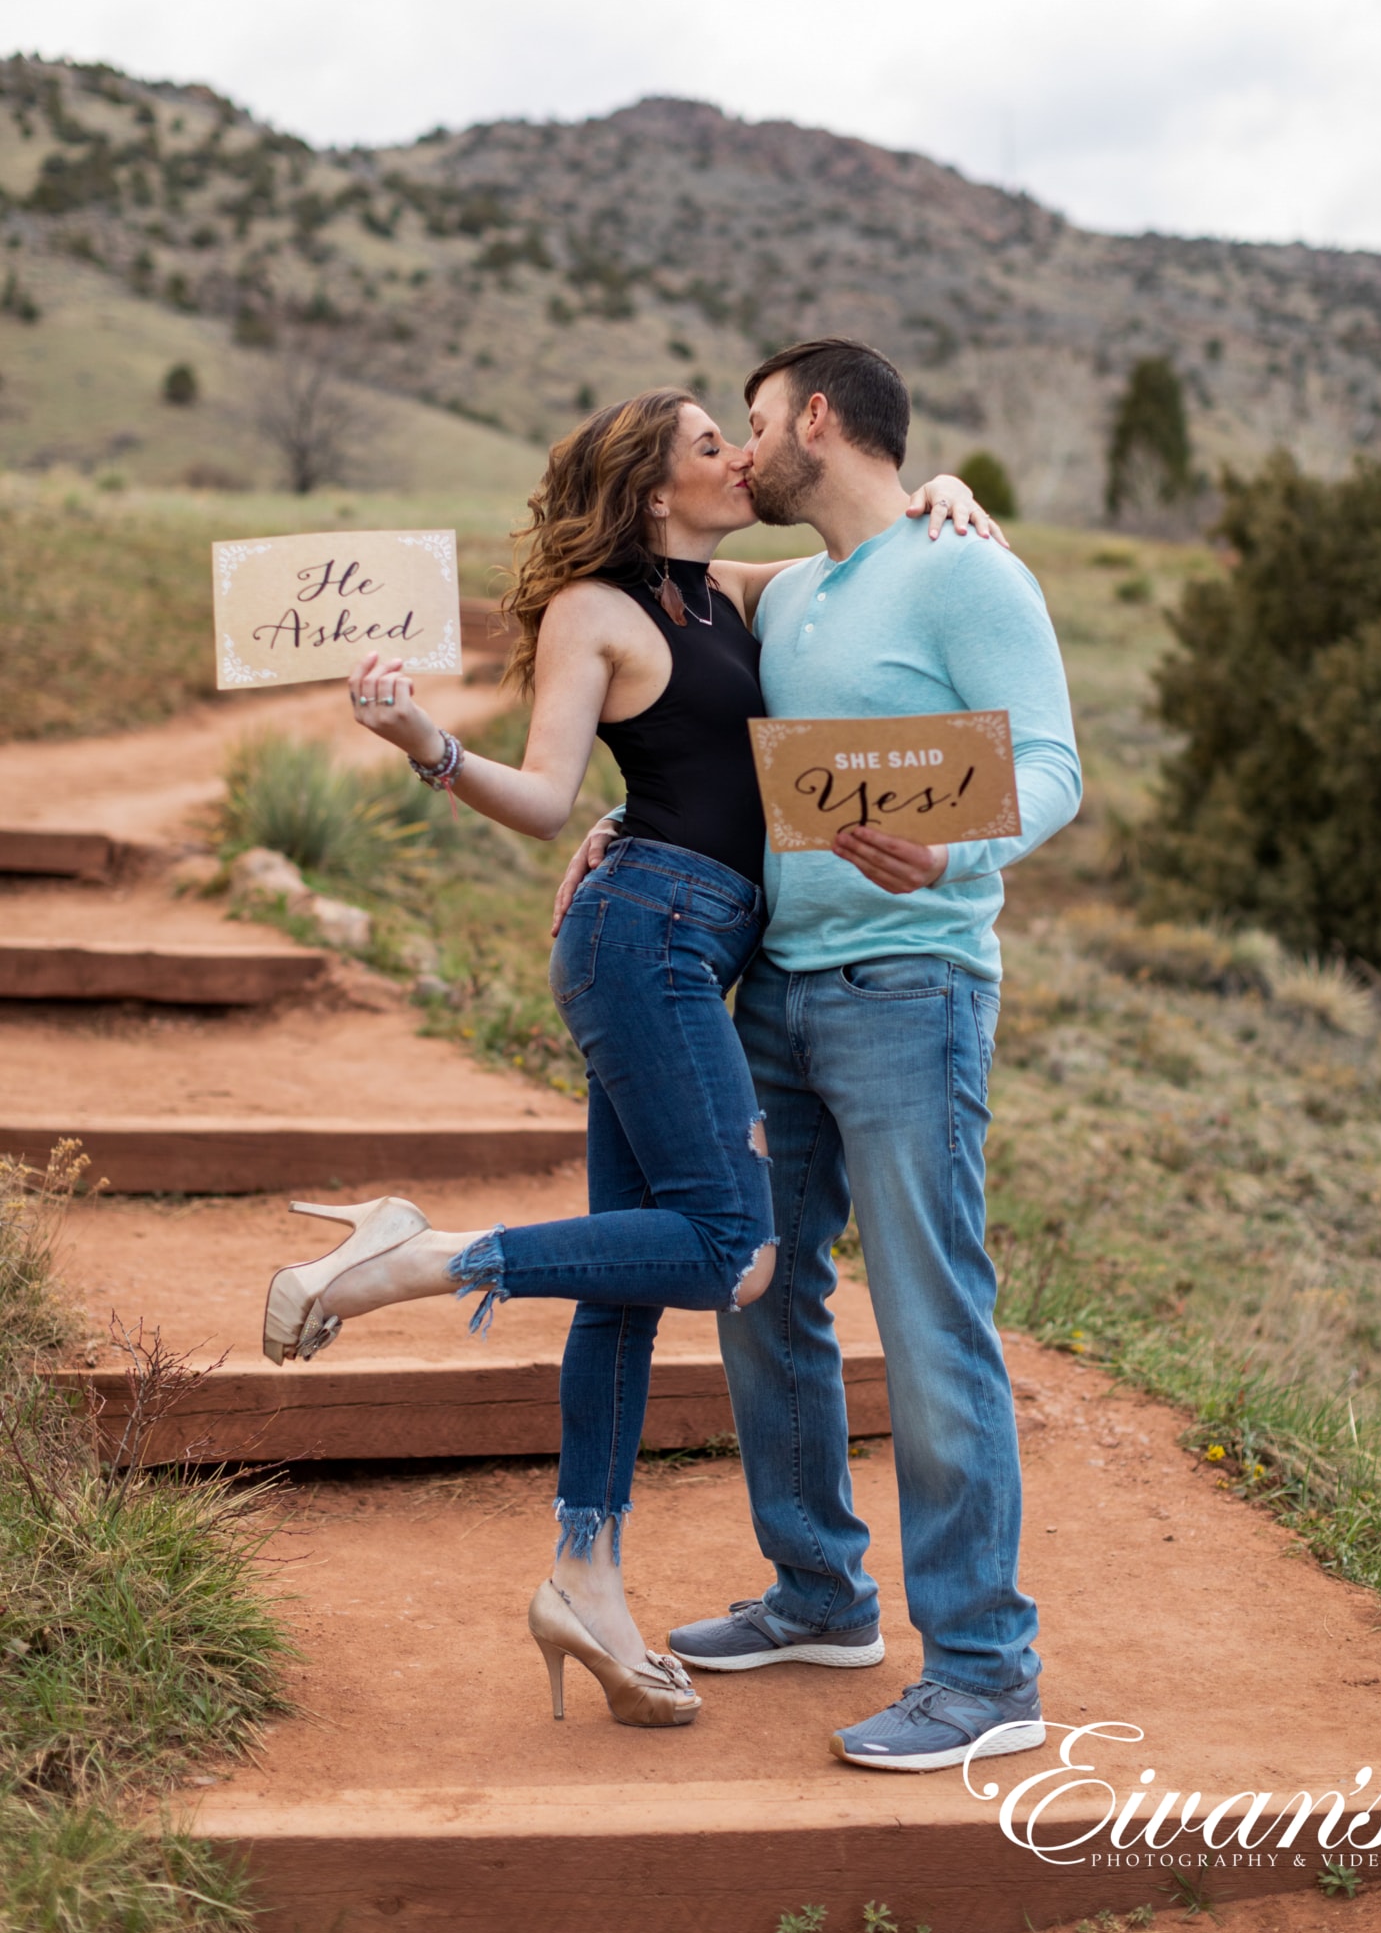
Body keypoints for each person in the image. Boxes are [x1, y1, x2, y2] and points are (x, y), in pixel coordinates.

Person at [259, 387, 990, 1731]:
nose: (743, 455)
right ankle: (424, 1259)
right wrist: (424, 741)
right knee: (731, 1250)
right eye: (715, 442)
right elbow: (544, 801)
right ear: (657, 489)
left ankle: (585, 1576)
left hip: (688, 939)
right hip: (644, 935)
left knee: (629, 1276)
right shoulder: (599, 611)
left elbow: (866, 542)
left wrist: (940, 493)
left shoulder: (740, 591)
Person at [557, 339, 1082, 1773]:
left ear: (821, 421)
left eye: (758, 420)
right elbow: (688, 694)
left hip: (914, 990)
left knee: (928, 1320)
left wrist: (957, 838)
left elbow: (1053, 764)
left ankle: (984, 1670)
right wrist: (625, 826)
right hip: (777, 991)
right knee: (758, 1285)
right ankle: (817, 1593)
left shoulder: (967, 571)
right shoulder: (792, 594)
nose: (743, 445)